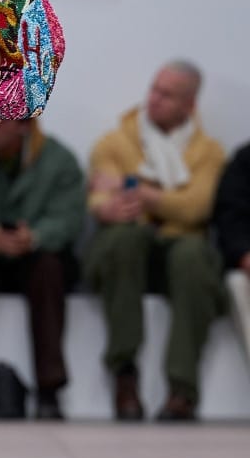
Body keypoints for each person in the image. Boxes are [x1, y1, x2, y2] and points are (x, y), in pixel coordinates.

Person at [83, 61, 226, 422]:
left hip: (181, 252)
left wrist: (135, 190)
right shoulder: (114, 142)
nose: (155, 99)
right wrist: (111, 205)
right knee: (123, 240)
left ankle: (182, 389)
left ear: (189, 106)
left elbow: (197, 208)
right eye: (154, 89)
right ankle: (124, 375)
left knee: (193, 256)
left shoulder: (209, 152)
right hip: (128, 251)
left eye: (167, 95)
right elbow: (101, 199)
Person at [0, 119, 85, 421]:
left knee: (50, 270)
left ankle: (49, 391)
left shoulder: (59, 160)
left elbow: (69, 217)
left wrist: (35, 237)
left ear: (24, 125)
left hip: (34, 254)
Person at [213, 142, 250, 364]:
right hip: (247, 265)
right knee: (238, 283)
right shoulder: (245, 161)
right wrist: (244, 254)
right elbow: (230, 216)